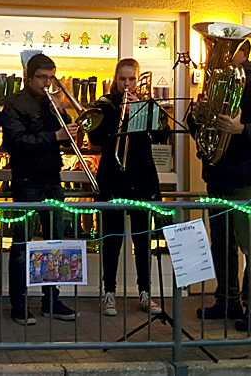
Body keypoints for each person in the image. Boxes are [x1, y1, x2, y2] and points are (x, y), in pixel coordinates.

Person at [190, 40, 251, 332]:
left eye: (225, 50)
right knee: (221, 242)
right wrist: (197, 118)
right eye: (214, 49)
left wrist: (241, 129)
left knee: (250, 244)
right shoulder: (214, 84)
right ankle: (227, 300)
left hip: (247, 177)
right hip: (218, 175)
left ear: (243, 53)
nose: (216, 56)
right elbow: (202, 131)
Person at [1, 53, 78, 325]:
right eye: (42, 77)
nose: (47, 83)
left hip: (52, 178)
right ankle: (19, 303)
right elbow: (17, 142)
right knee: (22, 244)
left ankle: (51, 300)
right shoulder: (14, 103)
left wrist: (63, 114)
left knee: (54, 243)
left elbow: (68, 138)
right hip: (26, 180)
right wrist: (53, 136)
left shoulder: (51, 102)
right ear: (29, 77)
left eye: (51, 77)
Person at [88, 58, 163, 317]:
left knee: (143, 241)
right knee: (112, 239)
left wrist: (142, 112)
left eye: (132, 79)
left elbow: (160, 136)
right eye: (123, 79)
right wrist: (120, 116)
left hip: (142, 179)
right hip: (113, 178)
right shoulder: (105, 104)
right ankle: (109, 292)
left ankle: (145, 292)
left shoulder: (147, 105)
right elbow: (95, 138)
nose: (127, 84)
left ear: (138, 79)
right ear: (115, 79)